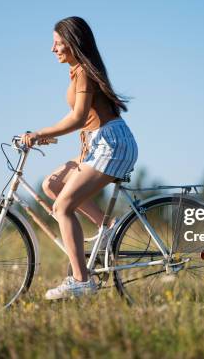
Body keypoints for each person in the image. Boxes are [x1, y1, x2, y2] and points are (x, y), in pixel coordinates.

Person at [21, 16, 138, 300]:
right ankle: (107, 229)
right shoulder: (77, 71)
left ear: (73, 43)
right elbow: (77, 118)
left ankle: (81, 280)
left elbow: (79, 117)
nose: (53, 49)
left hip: (111, 144)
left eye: (58, 43)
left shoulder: (84, 71)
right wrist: (49, 132)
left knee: (62, 208)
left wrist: (39, 132)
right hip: (100, 144)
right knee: (52, 184)